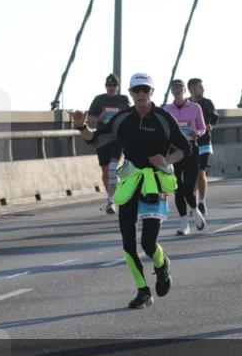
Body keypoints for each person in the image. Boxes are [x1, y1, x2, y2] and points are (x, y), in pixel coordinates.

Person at [73, 73, 192, 309]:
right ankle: (143, 291)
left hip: (155, 182)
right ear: (130, 93)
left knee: (148, 243)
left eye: (144, 90)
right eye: (136, 91)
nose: (140, 95)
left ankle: (161, 264)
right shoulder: (123, 118)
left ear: (152, 93)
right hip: (130, 181)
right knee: (128, 243)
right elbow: (95, 140)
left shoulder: (164, 118)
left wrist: (166, 160)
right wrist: (81, 125)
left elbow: (185, 148)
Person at [162, 79, 206, 234]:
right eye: (174, 88)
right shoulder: (166, 109)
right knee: (177, 189)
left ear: (184, 90)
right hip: (174, 152)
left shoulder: (195, 107)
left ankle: (195, 211)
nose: (177, 90)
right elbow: (164, 130)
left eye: (180, 88)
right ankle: (184, 223)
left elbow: (202, 127)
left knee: (188, 188)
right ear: (172, 91)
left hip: (191, 150)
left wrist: (198, 133)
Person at [86, 74, 130, 214]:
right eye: (109, 85)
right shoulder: (99, 100)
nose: (112, 88)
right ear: (106, 86)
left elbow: (131, 116)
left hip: (117, 138)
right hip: (102, 139)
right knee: (105, 172)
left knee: (112, 169)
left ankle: (112, 200)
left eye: (114, 85)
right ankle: (110, 198)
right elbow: (90, 119)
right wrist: (99, 118)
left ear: (118, 87)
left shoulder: (123, 99)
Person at [188, 78, 219, 216]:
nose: (203, 89)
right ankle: (192, 205)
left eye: (202, 87)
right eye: (200, 87)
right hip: (190, 142)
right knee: (191, 174)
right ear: (191, 89)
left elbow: (215, 118)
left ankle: (201, 202)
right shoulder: (186, 104)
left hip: (205, 142)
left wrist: (210, 124)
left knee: (200, 172)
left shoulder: (208, 103)